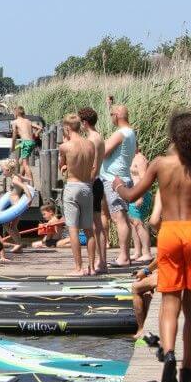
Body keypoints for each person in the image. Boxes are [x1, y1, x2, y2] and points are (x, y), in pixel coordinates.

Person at [113, 112, 191, 382]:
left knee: (170, 302)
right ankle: (187, 367)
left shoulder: (160, 164)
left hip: (169, 233)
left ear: (174, 137)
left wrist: (119, 185)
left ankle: (168, 355)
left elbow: (133, 197)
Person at [58, 113, 97, 275]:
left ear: (67, 128)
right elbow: (92, 166)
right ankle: (92, 268)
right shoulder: (90, 145)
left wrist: (64, 167)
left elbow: (62, 166)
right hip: (87, 187)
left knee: (73, 229)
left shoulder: (65, 147)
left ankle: (79, 268)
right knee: (89, 229)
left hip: (72, 186)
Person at [100, 104, 136, 267]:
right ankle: (125, 255)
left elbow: (104, 151)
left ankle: (124, 257)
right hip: (122, 177)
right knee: (121, 218)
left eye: (111, 115)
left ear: (116, 115)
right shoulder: (131, 132)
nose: (111, 118)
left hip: (114, 179)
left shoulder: (120, 133)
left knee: (119, 218)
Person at [78, 107, 109, 273]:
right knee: (97, 225)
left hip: (93, 182)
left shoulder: (92, 139)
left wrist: (85, 182)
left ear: (84, 122)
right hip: (97, 182)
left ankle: (101, 262)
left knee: (94, 225)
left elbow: (95, 165)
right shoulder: (98, 136)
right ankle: (101, 262)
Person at [132, 191, 163, 339]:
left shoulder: (167, 228)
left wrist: (145, 270)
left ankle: (141, 329)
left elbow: (161, 258)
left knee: (136, 288)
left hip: (170, 273)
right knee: (146, 293)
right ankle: (146, 326)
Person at [128, 148, 153, 262]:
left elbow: (144, 179)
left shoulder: (140, 159)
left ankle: (147, 253)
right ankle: (137, 252)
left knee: (139, 223)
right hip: (135, 193)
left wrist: (140, 196)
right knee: (133, 223)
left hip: (141, 194)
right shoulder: (132, 158)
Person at [11, 106, 39, 181]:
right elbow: (40, 128)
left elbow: (14, 136)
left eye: (13, 113)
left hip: (26, 143)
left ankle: (31, 183)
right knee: (21, 161)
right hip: (31, 142)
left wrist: (13, 146)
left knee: (25, 164)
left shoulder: (15, 122)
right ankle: (20, 180)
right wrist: (36, 133)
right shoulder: (28, 121)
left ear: (16, 113)